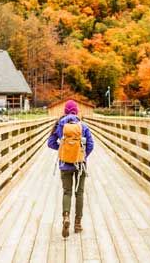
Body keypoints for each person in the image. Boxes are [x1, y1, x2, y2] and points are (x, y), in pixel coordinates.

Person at [47, 99, 94, 238]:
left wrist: (62, 150)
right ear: (76, 111)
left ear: (65, 111)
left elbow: (50, 143)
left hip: (65, 164)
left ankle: (65, 217)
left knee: (67, 192)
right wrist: (83, 155)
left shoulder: (59, 124)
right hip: (80, 164)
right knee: (79, 193)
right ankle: (78, 224)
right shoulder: (83, 126)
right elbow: (91, 144)